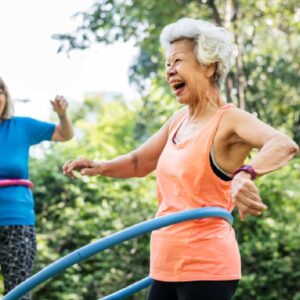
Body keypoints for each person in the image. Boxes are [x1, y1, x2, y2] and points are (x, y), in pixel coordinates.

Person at [62, 18, 299, 300]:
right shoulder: (178, 121)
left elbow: (283, 144)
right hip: (164, 266)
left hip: (206, 267)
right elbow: (139, 163)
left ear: (208, 65)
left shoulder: (230, 120)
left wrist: (245, 173)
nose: (169, 70)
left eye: (177, 61)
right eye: (166, 64)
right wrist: (100, 166)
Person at [0, 77, 74, 299]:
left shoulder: (21, 126)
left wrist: (62, 114)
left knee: (19, 291)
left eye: (0, 91)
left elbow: (64, 134)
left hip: (17, 221)